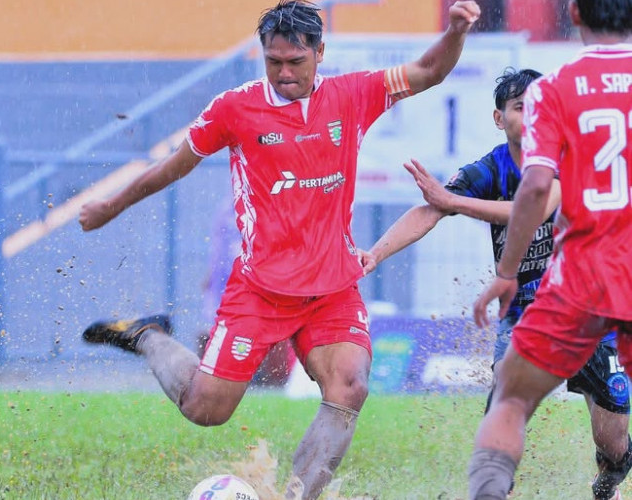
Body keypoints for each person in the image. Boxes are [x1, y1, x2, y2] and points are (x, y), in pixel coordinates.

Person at [77, 1, 481, 498]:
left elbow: (429, 69)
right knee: (207, 409)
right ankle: (147, 335)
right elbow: (171, 167)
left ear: (320, 53)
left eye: (296, 62)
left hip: (332, 286)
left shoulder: (355, 93)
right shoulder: (234, 107)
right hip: (261, 289)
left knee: (349, 387)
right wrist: (110, 207)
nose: (285, 74)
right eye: (274, 62)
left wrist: (456, 30)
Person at [360, 66, 631, 499]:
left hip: (593, 306)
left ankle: (608, 481)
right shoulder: (490, 169)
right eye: (521, 107)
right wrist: (375, 252)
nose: (533, 116)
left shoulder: (570, 157)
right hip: (525, 309)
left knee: (614, 441)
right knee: (505, 397)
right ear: (498, 118)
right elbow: (431, 209)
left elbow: (538, 206)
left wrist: (454, 202)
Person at [466, 1, 632, 499]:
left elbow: (536, 186)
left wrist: (507, 271)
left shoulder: (553, 89)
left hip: (581, 276)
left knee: (510, 401)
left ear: (575, 14)